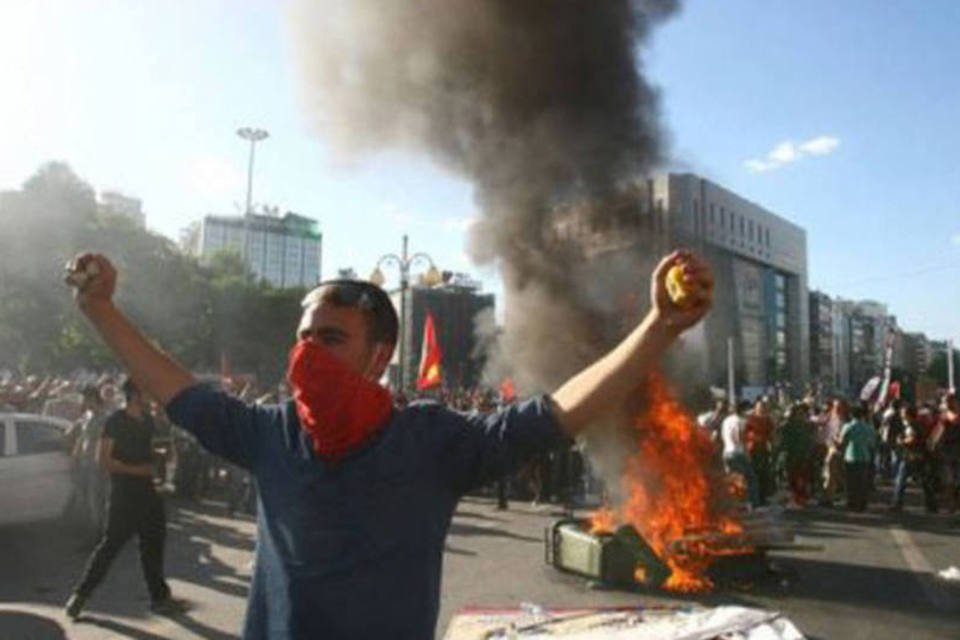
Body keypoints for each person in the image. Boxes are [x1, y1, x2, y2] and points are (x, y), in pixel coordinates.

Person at [63, 250, 712, 639]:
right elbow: (174, 386)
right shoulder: (270, 431)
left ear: (381, 355)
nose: (306, 353)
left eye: (330, 339)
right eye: (303, 336)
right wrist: (100, 310)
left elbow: (559, 412)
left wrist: (658, 328)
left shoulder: (432, 440)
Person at [65, 378, 179, 618]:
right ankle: (80, 596)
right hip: (124, 495)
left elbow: (147, 451)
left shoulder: (148, 421)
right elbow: (104, 460)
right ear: (134, 394)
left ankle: (159, 597)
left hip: (150, 493)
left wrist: (159, 455)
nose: (150, 395)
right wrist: (139, 470)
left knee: (153, 546)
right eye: (146, 391)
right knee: (110, 546)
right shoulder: (115, 421)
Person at [838, 402, 878, 512]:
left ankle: (852, 502)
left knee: (851, 482)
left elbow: (842, 442)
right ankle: (862, 503)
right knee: (863, 482)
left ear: (851, 415)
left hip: (851, 456)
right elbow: (872, 444)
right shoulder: (869, 428)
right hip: (865, 457)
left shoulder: (848, 427)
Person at [721, 400, 760, 508]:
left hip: (727, 452)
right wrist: (747, 453)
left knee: (733, 480)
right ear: (743, 410)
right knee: (750, 479)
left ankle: (734, 504)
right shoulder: (741, 421)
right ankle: (751, 503)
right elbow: (740, 438)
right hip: (738, 453)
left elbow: (723, 436)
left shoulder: (726, 420)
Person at [746, 397, 774, 505]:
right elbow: (745, 433)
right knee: (754, 473)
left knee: (763, 474)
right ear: (755, 408)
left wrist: (771, 444)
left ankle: (762, 497)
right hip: (753, 449)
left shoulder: (767, 419)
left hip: (763, 449)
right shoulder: (750, 419)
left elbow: (771, 433)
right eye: (759, 407)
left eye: (763, 407)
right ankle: (754, 498)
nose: (761, 409)